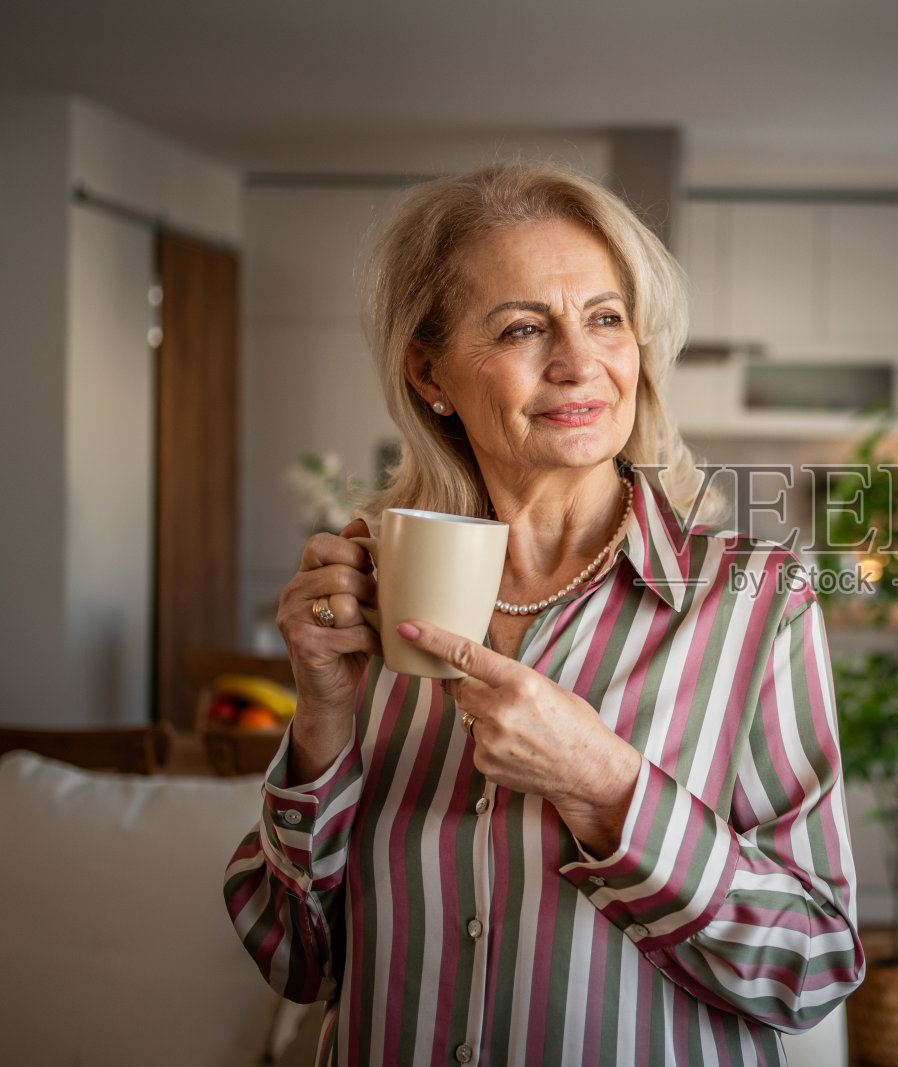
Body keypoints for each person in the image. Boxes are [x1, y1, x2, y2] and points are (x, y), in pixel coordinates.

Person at [224, 162, 863, 1066]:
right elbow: (293, 957)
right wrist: (322, 717)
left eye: (605, 318)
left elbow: (816, 964)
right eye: (523, 327)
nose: (578, 361)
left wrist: (608, 787)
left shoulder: (756, 604)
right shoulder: (374, 598)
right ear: (429, 370)